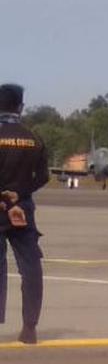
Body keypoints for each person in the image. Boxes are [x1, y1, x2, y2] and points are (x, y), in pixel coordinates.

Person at [0, 84, 48, 344]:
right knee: (30, 268)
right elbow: (43, 176)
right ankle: (30, 326)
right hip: (23, 210)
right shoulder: (34, 138)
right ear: (20, 106)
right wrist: (19, 193)